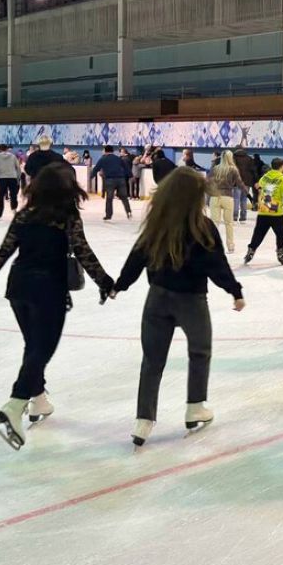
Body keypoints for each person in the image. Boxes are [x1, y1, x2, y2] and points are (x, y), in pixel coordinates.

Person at [0, 163, 115, 451]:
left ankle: (38, 400)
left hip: (19, 288)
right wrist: (105, 281)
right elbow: (83, 251)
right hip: (48, 290)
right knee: (42, 349)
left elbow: (4, 252)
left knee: (33, 345)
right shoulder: (66, 217)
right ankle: (14, 405)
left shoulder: (25, 215)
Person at [114, 168, 246, 447]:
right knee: (200, 352)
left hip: (157, 298)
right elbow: (216, 264)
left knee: (152, 361)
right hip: (191, 301)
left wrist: (119, 285)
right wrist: (234, 291)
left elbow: (137, 257)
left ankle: (143, 420)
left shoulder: (158, 223)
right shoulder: (202, 226)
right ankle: (195, 406)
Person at [245, 158, 283, 266]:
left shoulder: (265, 177)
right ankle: (281, 254)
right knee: (281, 235)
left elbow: (259, 186)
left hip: (263, 211)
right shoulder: (282, 179)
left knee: (258, 234)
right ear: (282, 167)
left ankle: (251, 251)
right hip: (276, 213)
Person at [207, 151, 248, 253]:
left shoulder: (215, 169)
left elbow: (208, 182)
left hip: (215, 197)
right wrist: (248, 193)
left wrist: (208, 195)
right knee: (229, 223)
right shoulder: (233, 169)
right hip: (227, 197)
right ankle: (230, 246)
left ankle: (212, 245)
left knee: (214, 223)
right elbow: (240, 183)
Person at [93, 144, 132, 221]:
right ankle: (128, 212)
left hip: (110, 180)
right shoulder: (118, 158)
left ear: (105, 151)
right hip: (121, 179)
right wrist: (130, 175)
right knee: (124, 197)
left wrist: (91, 176)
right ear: (112, 151)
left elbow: (96, 168)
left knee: (109, 198)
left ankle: (108, 215)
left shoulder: (103, 159)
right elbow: (126, 167)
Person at [0, 144, 22, 219]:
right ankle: (14, 209)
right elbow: (18, 168)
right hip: (13, 177)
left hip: (2, 178)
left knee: (0, 196)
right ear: (7, 149)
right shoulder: (13, 156)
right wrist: (18, 178)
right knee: (13, 194)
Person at [233, 147, 258, 220]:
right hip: (247, 181)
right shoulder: (249, 158)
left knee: (236, 199)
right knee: (244, 199)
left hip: (237, 181)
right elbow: (254, 170)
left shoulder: (234, 158)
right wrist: (255, 180)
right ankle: (243, 216)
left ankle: (235, 216)